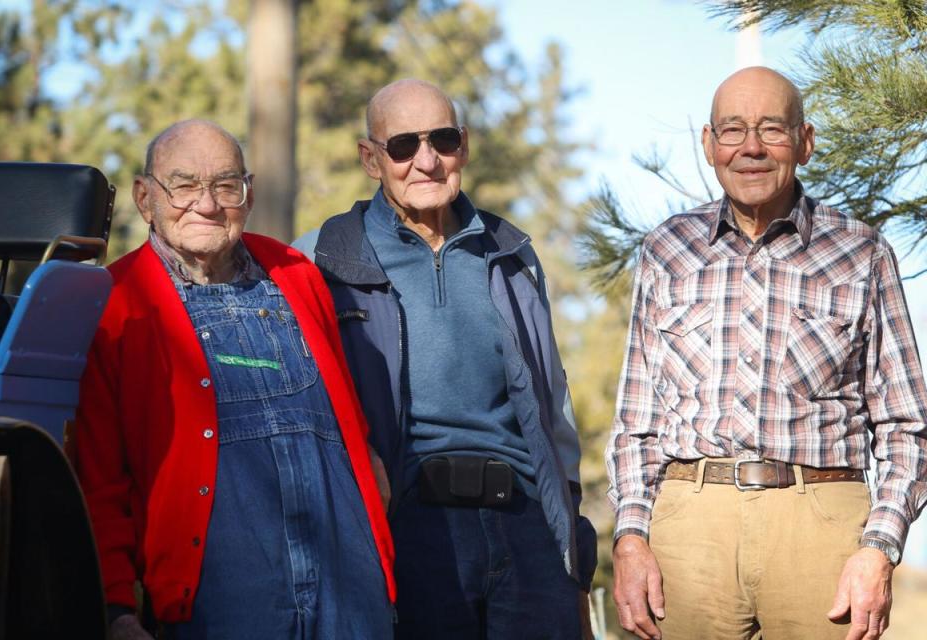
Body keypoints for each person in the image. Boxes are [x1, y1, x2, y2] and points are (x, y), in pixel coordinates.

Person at [606, 66, 927, 640]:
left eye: (771, 129)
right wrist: (630, 538)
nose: (750, 148)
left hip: (823, 528)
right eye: (732, 130)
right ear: (709, 144)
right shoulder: (665, 250)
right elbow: (637, 424)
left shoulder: (862, 252)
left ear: (805, 142)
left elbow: (908, 427)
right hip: (689, 527)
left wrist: (879, 547)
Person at [293, 79, 597, 639]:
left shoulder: (513, 254)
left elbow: (555, 413)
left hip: (525, 527)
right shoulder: (321, 257)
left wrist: (574, 559)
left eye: (443, 140)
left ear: (465, 144)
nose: (426, 161)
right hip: (406, 529)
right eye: (404, 145)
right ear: (370, 158)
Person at [72, 119, 395, 639]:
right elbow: (98, 477)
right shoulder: (114, 302)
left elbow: (349, 428)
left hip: (347, 589)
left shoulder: (297, 272)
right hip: (219, 600)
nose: (206, 204)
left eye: (225, 185)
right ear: (144, 197)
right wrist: (115, 609)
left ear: (247, 195)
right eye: (183, 185)